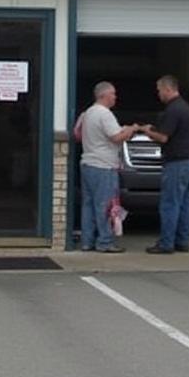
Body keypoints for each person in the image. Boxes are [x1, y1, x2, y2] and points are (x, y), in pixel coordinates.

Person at [139, 75, 189, 254]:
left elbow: (164, 137)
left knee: (170, 203)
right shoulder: (185, 107)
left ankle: (166, 244)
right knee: (185, 203)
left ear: (167, 89)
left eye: (159, 90)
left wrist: (148, 131)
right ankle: (182, 241)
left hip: (176, 163)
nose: (158, 94)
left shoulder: (173, 109)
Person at [78, 81, 139, 253]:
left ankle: (87, 241)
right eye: (113, 94)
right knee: (105, 205)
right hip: (104, 166)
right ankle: (105, 242)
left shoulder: (88, 113)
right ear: (103, 95)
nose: (115, 97)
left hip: (88, 163)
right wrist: (131, 129)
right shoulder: (105, 114)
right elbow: (116, 137)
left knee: (88, 205)